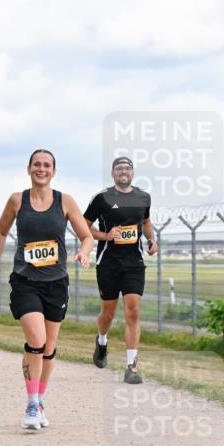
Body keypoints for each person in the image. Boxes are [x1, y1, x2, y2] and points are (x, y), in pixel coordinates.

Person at [0, 149, 93, 431]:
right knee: (37, 340)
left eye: (46, 165)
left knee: (49, 348)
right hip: (25, 280)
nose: (41, 169)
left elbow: (87, 235)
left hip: (56, 283)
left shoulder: (65, 201)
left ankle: (40, 399)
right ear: (28, 168)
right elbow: (0, 231)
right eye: (36, 164)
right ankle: (31, 403)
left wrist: (84, 252)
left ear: (53, 171)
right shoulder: (17, 200)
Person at [83, 156, 157, 384]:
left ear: (132, 173)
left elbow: (145, 221)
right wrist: (105, 236)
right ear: (113, 173)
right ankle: (102, 341)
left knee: (133, 311)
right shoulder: (102, 198)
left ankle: (131, 367)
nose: (123, 171)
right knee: (109, 314)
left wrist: (152, 239)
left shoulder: (143, 197)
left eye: (127, 168)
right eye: (119, 168)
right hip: (108, 263)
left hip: (134, 262)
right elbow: (84, 226)